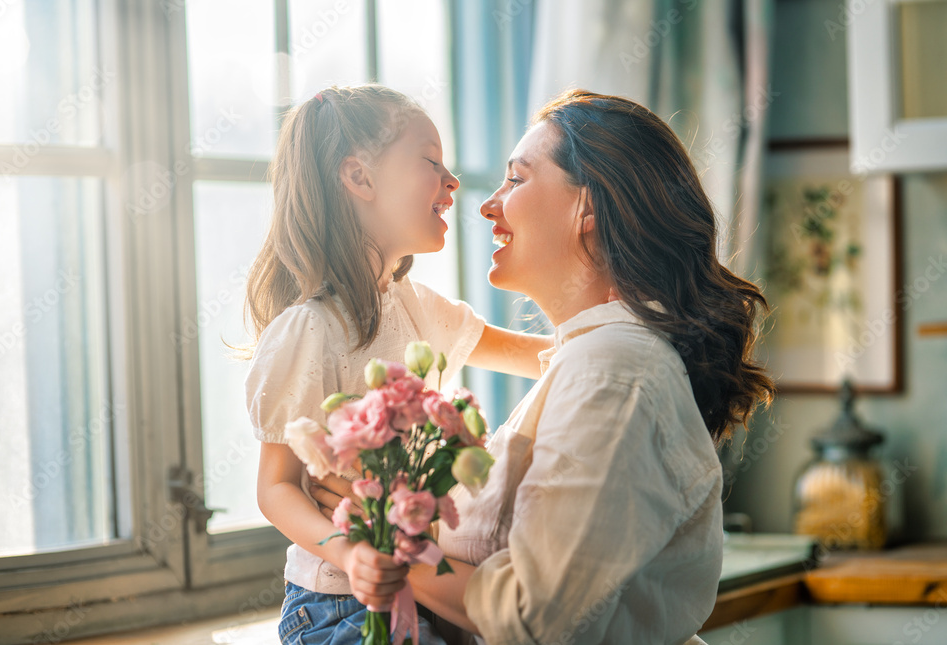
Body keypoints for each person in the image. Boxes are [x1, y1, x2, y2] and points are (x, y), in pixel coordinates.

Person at [323, 89, 776, 644]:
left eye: (515, 180)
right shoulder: (589, 363)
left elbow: (531, 615)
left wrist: (383, 549)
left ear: (587, 207)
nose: (488, 205)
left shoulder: (613, 375)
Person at [242, 85, 552, 645]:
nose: (452, 181)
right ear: (359, 178)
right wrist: (352, 553)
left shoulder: (416, 307)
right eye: (432, 163)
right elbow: (276, 488)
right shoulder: (308, 329)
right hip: (336, 606)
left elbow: (542, 358)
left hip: (425, 587)